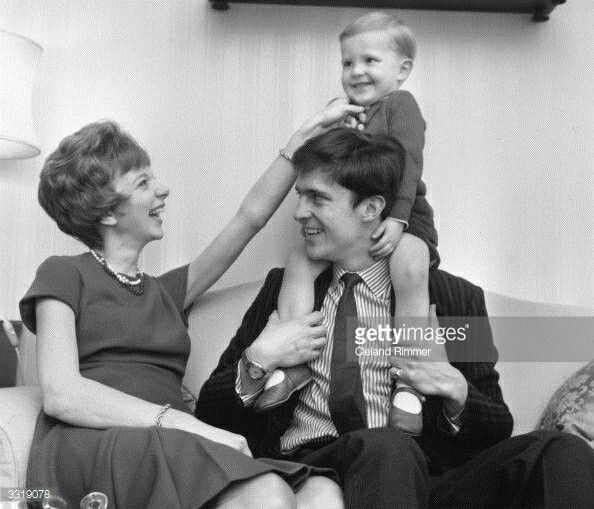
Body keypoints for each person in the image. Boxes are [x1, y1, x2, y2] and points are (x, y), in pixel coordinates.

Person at [196, 128, 594, 509]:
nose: (299, 213)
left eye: (317, 199)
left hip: (426, 480)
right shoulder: (283, 290)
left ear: (370, 209)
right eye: (300, 197)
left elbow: (496, 426)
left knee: (558, 451)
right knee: (386, 445)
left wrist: (454, 389)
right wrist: (258, 359)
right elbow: (209, 416)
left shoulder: (451, 298)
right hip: (317, 472)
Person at [18, 106, 364, 509]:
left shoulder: (166, 292)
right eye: (143, 182)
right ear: (109, 212)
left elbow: (247, 220)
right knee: (268, 493)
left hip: (170, 441)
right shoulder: (63, 273)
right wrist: (186, 423)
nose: (162, 189)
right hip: (97, 442)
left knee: (322, 493)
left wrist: (298, 143)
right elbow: (62, 394)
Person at [259, 12, 435, 435]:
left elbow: (409, 164)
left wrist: (397, 215)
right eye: (347, 63)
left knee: (410, 263)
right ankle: (296, 361)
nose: (356, 72)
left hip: (407, 213)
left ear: (403, 69)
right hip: (308, 453)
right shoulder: (345, 113)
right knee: (299, 260)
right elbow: (320, 162)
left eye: (370, 61)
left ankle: (410, 385)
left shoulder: (401, 105)